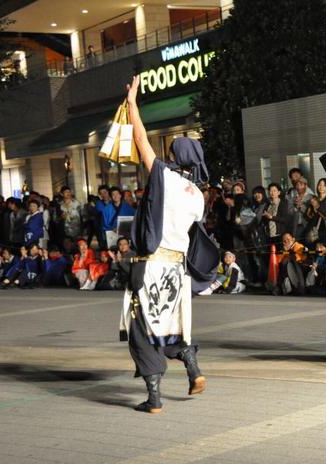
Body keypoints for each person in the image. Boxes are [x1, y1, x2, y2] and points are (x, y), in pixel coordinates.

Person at [120, 76, 207, 413]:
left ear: (175, 156)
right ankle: (192, 366)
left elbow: (140, 139)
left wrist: (132, 103)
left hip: (152, 263)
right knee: (169, 323)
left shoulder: (163, 177)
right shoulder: (197, 194)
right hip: (177, 269)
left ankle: (154, 398)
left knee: (141, 326)